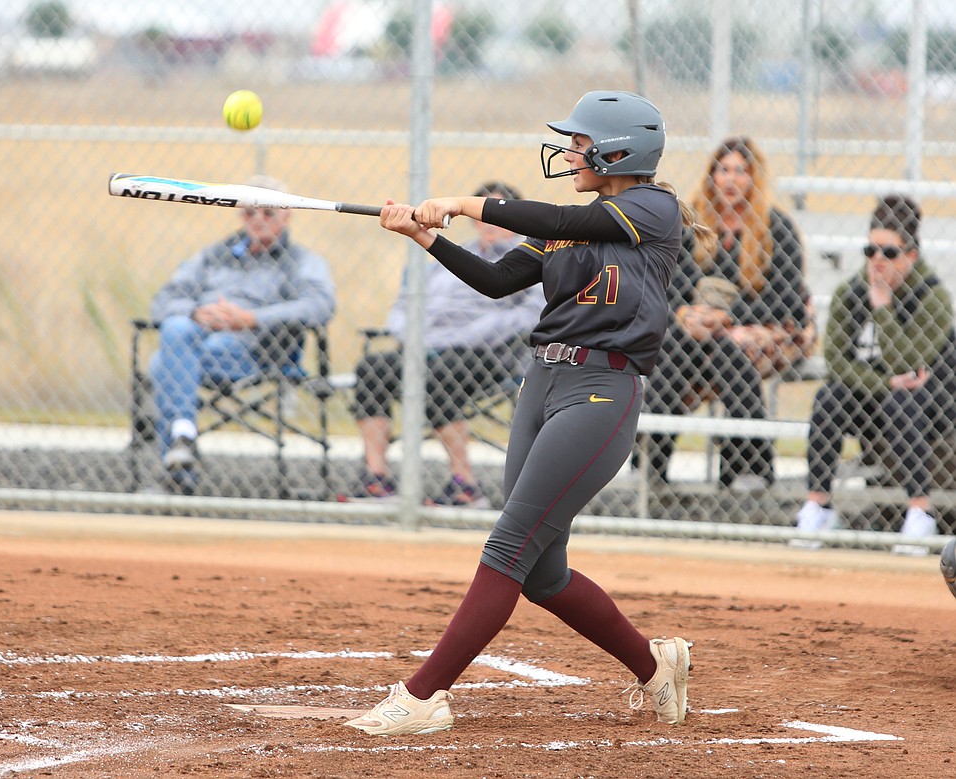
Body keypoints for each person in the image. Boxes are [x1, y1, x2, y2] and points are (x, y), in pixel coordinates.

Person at [344, 90, 711, 737]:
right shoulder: (569, 223)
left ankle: (424, 695)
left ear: (619, 151)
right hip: (541, 382)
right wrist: (424, 235)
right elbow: (495, 280)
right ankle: (654, 664)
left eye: (580, 142)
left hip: (601, 391)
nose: (570, 152)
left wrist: (463, 203)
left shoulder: (652, 210)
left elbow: (552, 216)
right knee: (542, 573)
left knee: (509, 545)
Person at [349, 180, 543, 508]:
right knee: (372, 368)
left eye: (497, 215)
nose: (488, 224)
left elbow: (532, 313)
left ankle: (463, 484)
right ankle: (377, 479)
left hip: (486, 354)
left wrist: (467, 334)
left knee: (440, 372)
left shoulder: (529, 254)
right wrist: (407, 334)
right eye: (482, 215)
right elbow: (407, 302)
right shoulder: (455, 255)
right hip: (424, 347)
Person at [644, 136, 815, 492]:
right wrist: (684, 313)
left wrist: (730, 317)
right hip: (698, 330)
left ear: (754, 179)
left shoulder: (775, 228)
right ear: (712, 176)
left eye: (741, 171)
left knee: (728, 350)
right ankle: (652, 467)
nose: (731, 179)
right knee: (675, 344)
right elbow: (666, 282)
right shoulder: (689, 222)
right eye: (723, 170)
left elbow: (788, 301)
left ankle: (749, 467)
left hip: (768, 328)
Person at [148, 175, 336, 493]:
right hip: (196, 337)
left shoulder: (300, 262)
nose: (258, 220)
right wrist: (197, 311)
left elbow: (319, 306)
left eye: (268, 213)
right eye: (250, 212)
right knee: (177, 326)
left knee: (161, 364)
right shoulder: (214, 254)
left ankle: (179, 467)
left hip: (254, 351)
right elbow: (165, 300)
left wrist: (251, 318)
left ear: (287, 216)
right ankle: (183, 436)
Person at [795, 194, 955, 552]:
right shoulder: (849, 292)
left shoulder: (933, 298)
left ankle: (919, 513)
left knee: (902, 400)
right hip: (870, 399)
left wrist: (883, 307)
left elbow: (907, 361)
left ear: (911, 256)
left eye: (889, 253)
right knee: (829, 396)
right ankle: (818, 506)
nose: (877, 260)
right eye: (871, 251)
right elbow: (836, 361)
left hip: (929, 410)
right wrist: (882, 382)